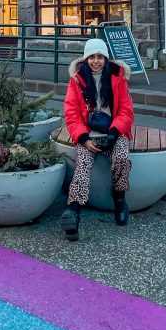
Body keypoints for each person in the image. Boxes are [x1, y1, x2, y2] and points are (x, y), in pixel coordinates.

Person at [61, 37, 134, 241]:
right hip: (89, 133)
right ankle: (73, 211)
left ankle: (120, 200)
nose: (95, 61)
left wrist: (114, 132)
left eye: (99, 57)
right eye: (91, 57)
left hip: (113, 131)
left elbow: (127, 111)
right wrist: (83, 137)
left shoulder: (118, 78)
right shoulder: (77, 81)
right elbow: (71, 113)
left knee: (121, 158)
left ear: (106, 58)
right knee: (82, 164)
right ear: (85, 59)